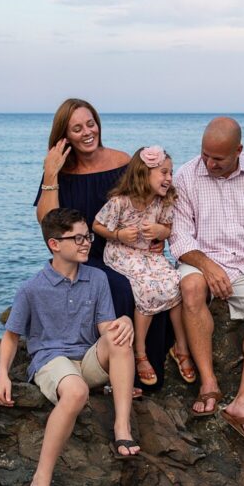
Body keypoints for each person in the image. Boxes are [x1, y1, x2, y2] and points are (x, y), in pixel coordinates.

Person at [0, 207, 140, 486]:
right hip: (50, 360)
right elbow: (12, 336)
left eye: (87, 235)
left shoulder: (97, 278)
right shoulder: (31, 288)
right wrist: (3, 375)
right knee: (75, 393)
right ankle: (40, 483)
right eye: (79, 238)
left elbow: (105, 328)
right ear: (55, 244)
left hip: (85, 360)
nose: (87, 242)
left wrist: (124, 322)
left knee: (118, 338)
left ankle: (121, 427)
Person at [35, 98, 183, 390]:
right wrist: (51, 173)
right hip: (84, 255)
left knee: (160, 282)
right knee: (119, 287)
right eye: (77, 128)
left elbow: (145, 200)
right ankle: (122, 373)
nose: (87, 132)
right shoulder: (59, 172)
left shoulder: (121, 161)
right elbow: (48, 221)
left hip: (127, 250)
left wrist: (154, 236)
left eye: (90, 123)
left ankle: (151, 367)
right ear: (65, 136)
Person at [169, 116, 244, 446]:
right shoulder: (185, 176)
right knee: (191, 288)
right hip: (201, 260)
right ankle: (208, 382)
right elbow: (178, 237)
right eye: (205, 154)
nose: (209, 163)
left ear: (239, 150)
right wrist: (206, 265)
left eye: (218, 158)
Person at [93, 146, 196, 386]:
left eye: (170, 172)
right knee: (148, 289)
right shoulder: (120, 202)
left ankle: (181, 347)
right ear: (143, 174)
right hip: (122, 253)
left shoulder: (164, 201)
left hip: (148, 254)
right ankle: (140, 352)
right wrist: (119, 234)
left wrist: (161, 231)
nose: (169, 178)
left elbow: (169, 229)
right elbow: (97, 225)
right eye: (163, 172)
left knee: (175, 282)